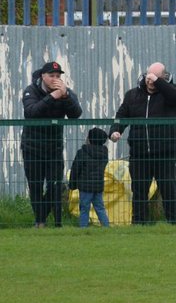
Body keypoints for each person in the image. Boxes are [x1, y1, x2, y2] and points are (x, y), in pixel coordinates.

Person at [109, 63, 176, 225]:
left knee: (168, 187)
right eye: (148, 76)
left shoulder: (171, 92)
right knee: (139, 190)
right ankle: (139, 223)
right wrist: (116, 130)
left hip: (165, 152)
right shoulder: (132, 95)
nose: (150, 81)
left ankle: (174, 222)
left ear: (163, 77)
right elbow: (121, 115)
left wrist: (159, 82)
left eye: (154, 77)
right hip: (139, 152)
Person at [21, 61, 83, 228]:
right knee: (35, 185)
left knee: (56, 185)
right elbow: (31, 113)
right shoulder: (31, 91)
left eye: (58, 76)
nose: (55, 79)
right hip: (32, 148)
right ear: (43, 76)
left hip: (54, 148)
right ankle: (40, 221)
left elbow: (76, 114)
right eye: (51, 76)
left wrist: (66, 97)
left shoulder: (65, 92)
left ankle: (54, 223)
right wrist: (52, 97)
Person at [69, 127, 111, 228]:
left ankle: (83, 228)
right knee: (100, 208)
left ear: (91, 139)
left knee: (84, 208)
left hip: (85, 187)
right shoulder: (104, 154)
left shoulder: (82, 152)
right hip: (98, 186)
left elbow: (76, 169)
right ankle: (106, 226)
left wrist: (72, 184)